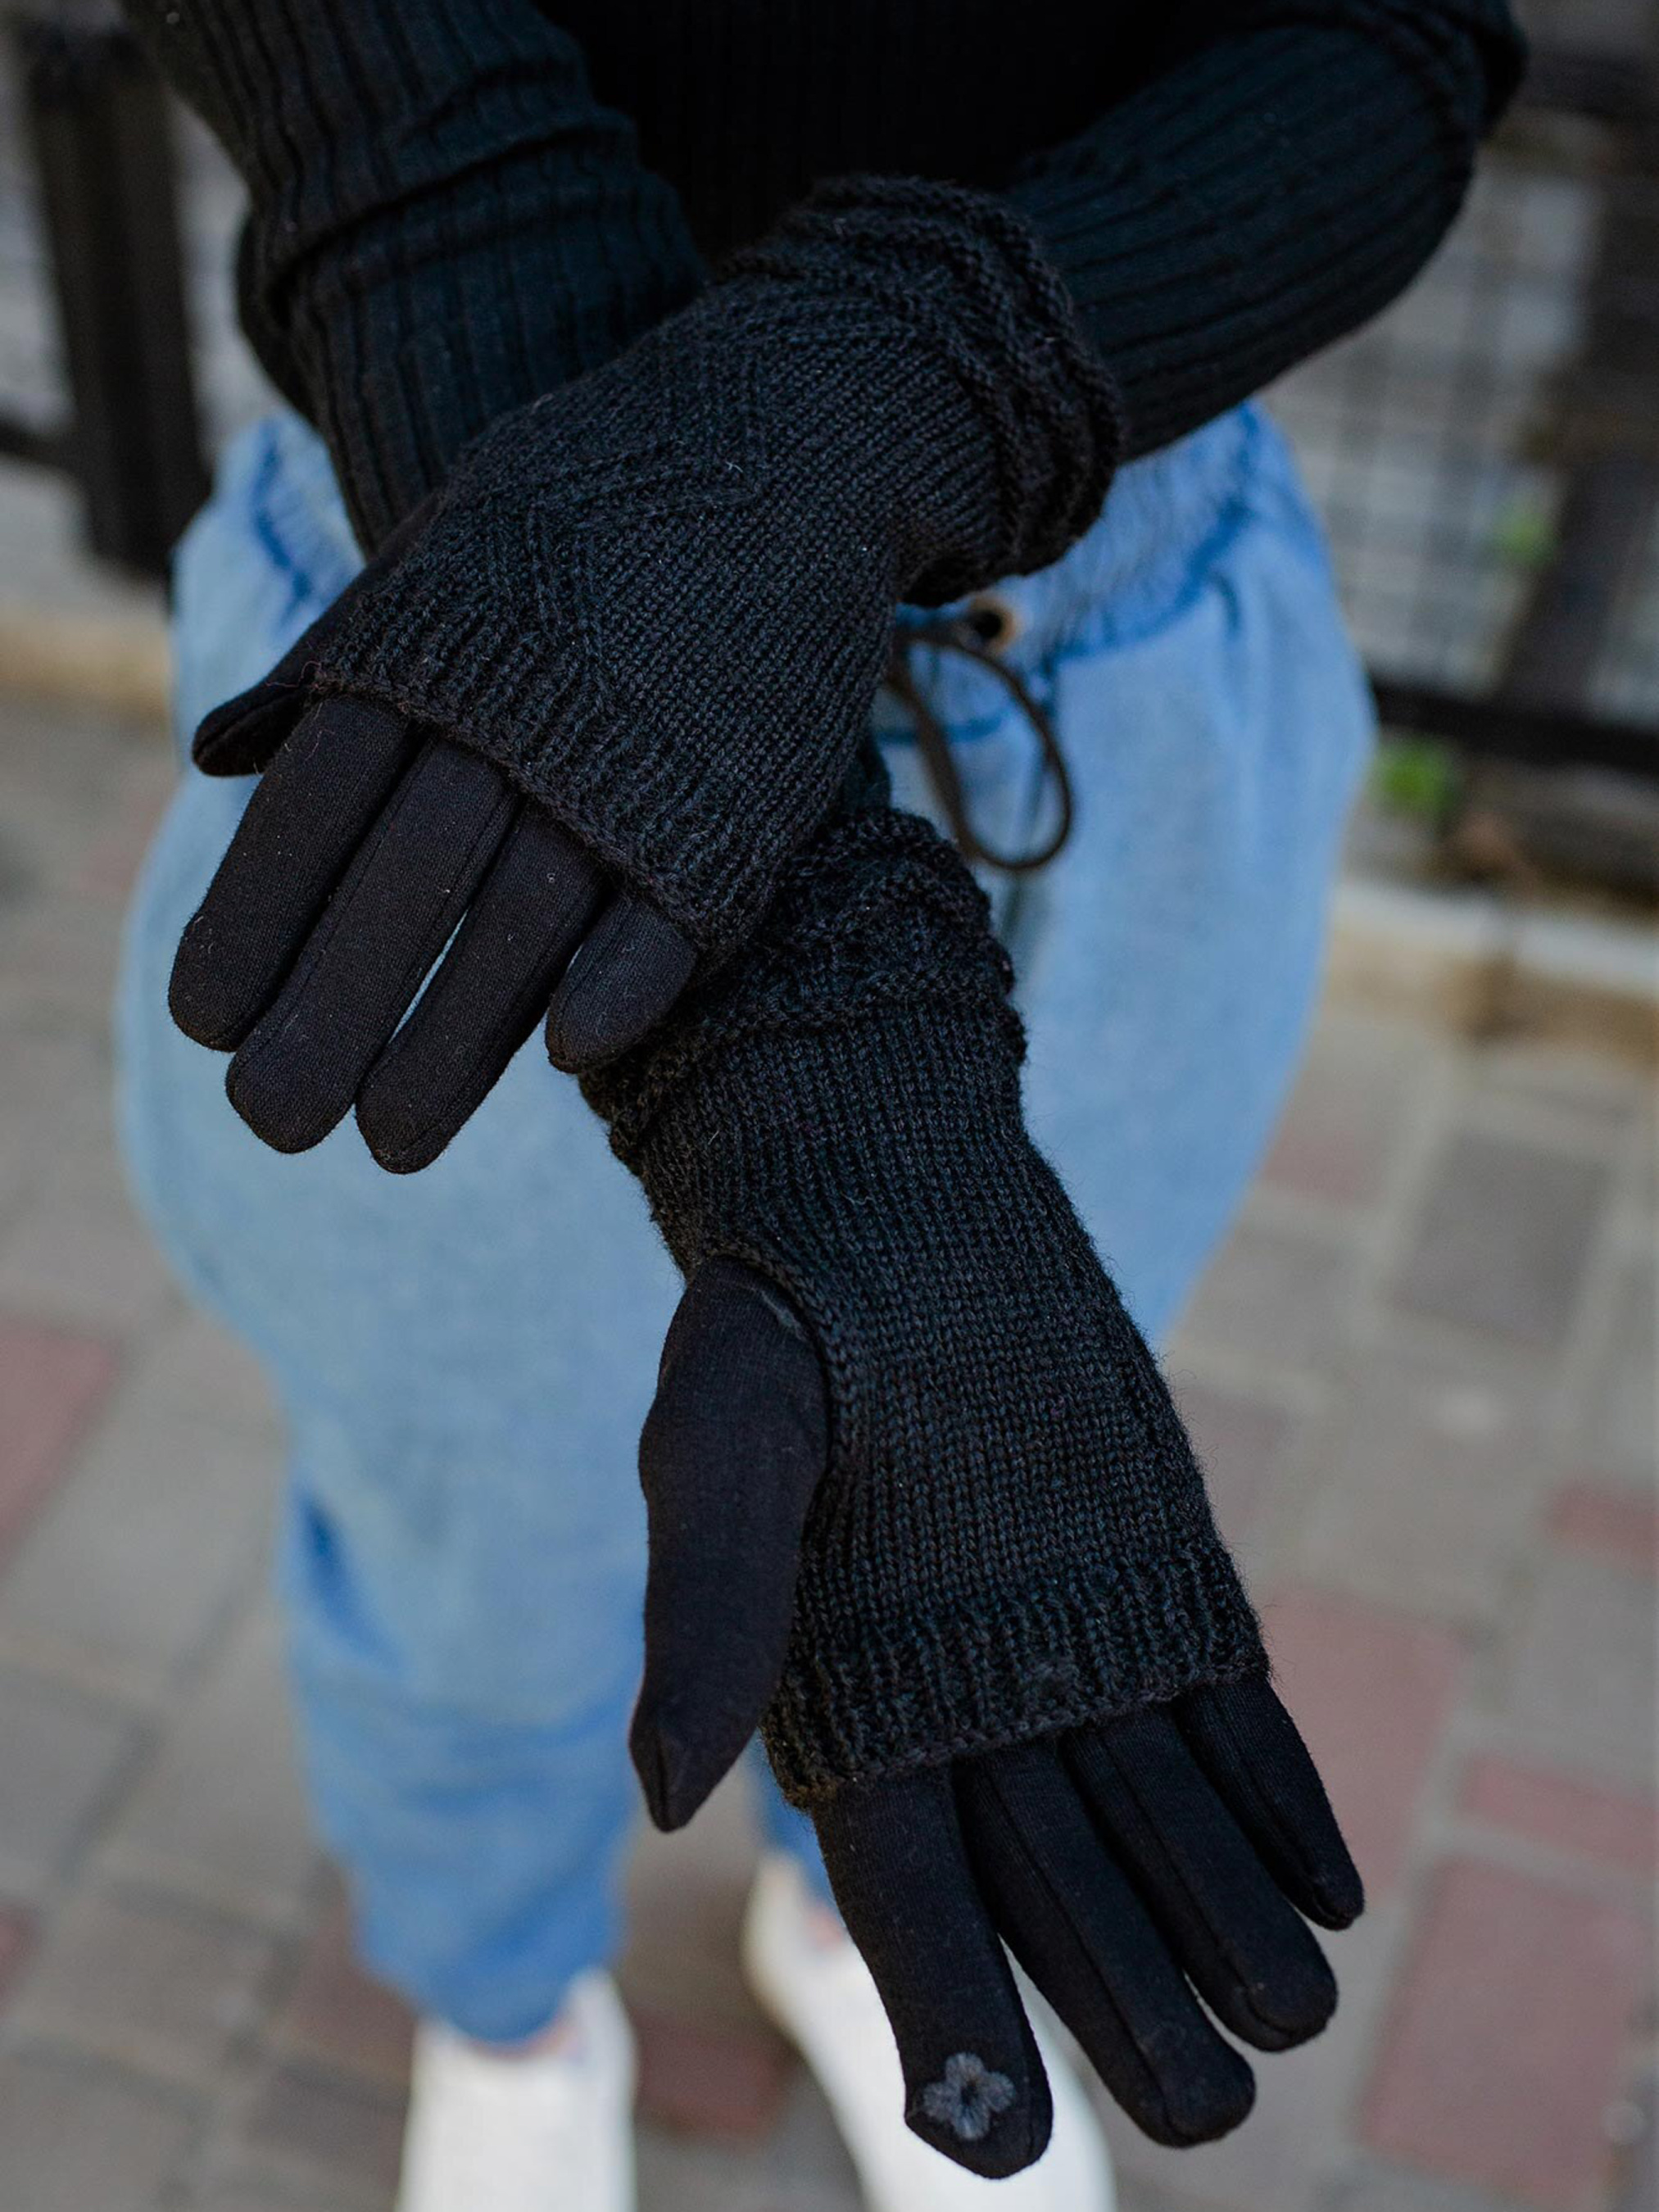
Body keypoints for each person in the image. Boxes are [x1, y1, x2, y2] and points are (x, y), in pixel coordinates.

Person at [115, 5, 1525, 2208]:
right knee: (472, 1541)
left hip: (1120, 630)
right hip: (456, 612)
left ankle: (847, 1905)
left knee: (938, 1485)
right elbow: (380, 97)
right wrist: (817, 1043)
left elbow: (1405, 36)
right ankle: (505, 1998)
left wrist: (889, 394)